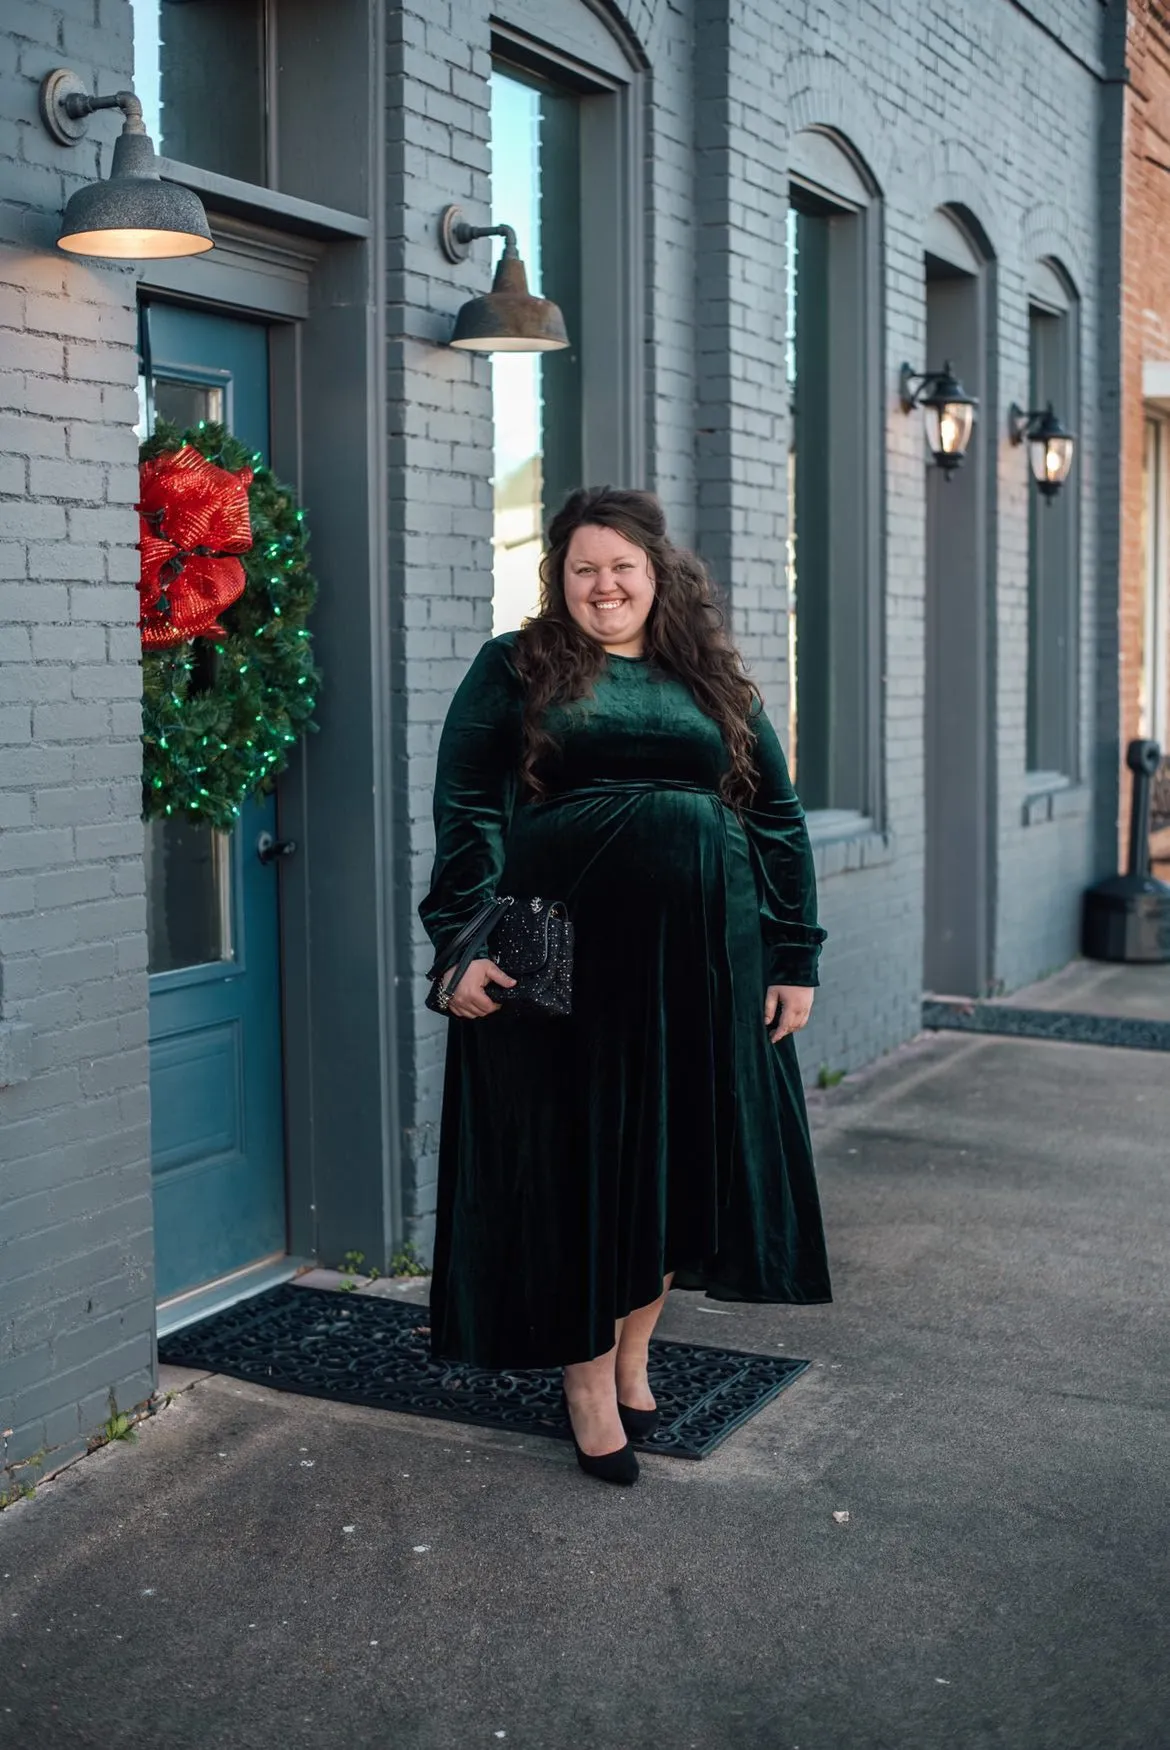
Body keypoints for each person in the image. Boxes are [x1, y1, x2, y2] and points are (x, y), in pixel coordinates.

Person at [419, 487, 831, 1486]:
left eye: (621, 568)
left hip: (705, 961)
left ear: (659, 575)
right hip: (564, 961)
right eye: (582, 570)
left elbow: (776, 818)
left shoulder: (714, 681)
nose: (603, 586)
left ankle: (636, 1356)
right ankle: (587, 1385)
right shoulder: (515, 668)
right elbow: (468, 808)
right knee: (585, 1168)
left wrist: (794, 955)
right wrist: (461, 942)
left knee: (674, 1165)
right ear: (559, 580)